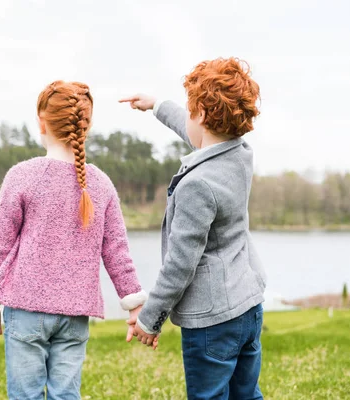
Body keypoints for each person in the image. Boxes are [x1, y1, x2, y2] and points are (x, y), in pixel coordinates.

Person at [0, 80, 148, 400]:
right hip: (74, 314)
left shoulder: (22, 175)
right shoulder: (101, 184)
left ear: (42, 123)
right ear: (87, 125)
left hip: (25, 308)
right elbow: (117, 251)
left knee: (25, 396)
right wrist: (134, 304)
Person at [120, 57, 267, 400]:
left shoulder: (197, 185)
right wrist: (157, 105)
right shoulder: (240, 155)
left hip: (213, 322)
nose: (186, 117)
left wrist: (149, 320)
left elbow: (180, 264)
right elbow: (198, 135)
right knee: (246, 395)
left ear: (201, 114)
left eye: (189, 110)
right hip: (248, 306)